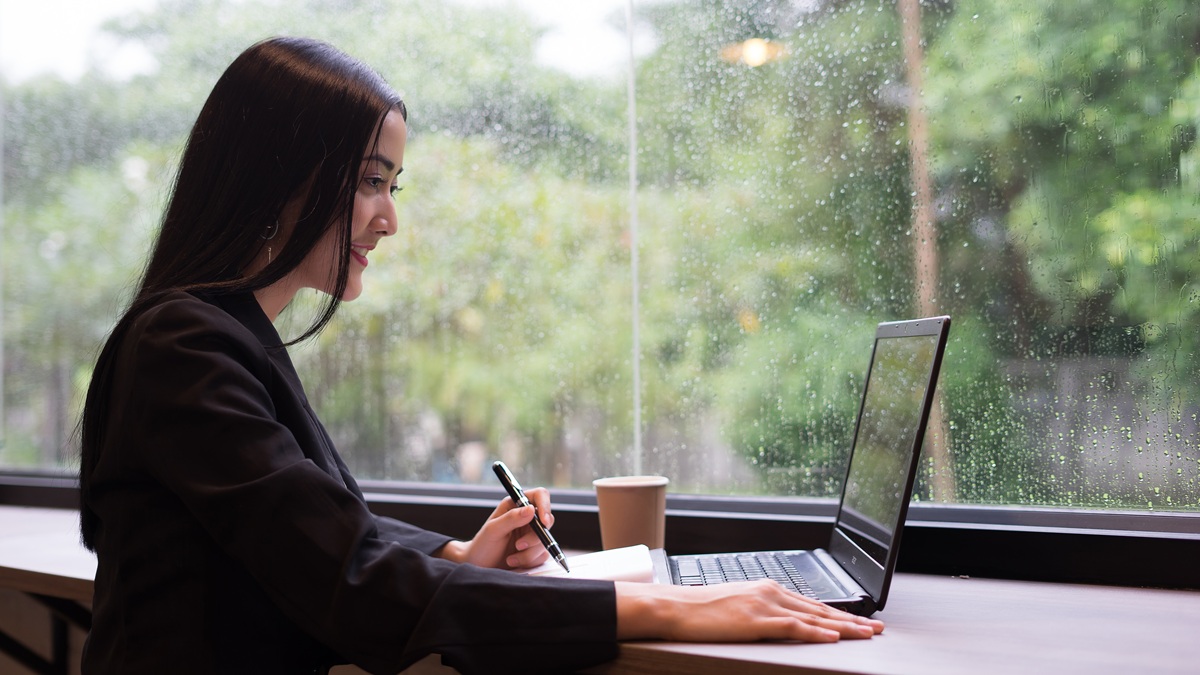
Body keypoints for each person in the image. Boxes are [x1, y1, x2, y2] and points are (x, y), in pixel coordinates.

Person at [78, 36, 884, 675]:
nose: (388, 219)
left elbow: (317, 534)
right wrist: (677, 608)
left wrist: (458, 553)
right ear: (276, 177)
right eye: (369, 182)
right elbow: (349, 582)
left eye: (395, 186)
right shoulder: (185, 346)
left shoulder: (220, 335)